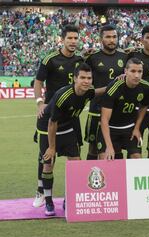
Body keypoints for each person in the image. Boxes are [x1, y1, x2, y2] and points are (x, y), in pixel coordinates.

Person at [37, 63, 105, 216]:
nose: (86, 81)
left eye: (89, 78)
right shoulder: (63, 96)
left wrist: (119, 81)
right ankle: (48, 202)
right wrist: (52, 147)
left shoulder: (88, 92)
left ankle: (69, 199)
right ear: (75, 78)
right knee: (48, 163)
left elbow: (99, 91)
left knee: (76, 162)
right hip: (47, 127)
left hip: (67, 126)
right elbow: (52, 122)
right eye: (82, 78)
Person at [32, 25, 83, 208]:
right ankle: (41, 191)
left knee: (75, 155)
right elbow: (38, 82)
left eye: (76, 38)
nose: (73, 41)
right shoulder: (50, 59)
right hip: (51, 113)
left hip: (70, 116)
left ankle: (71, 197)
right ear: (62, 40)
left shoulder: (80, 60)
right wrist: (40, 102)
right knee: (45, 155)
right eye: (69, 38)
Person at [84, 25, 128, 160]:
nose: (111, 40)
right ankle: (90, 177)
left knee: (116, 145)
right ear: (101, 39)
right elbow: (85, 82)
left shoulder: (125, 56)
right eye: (108, 37)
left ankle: (117, 178)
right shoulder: (92, 58)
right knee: (92, 146)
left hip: (117, 108)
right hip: (96, 107)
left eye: (114, 37)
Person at [100, 58, 149, 160]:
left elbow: (144, 106)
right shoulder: (114, 88)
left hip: (129, 128)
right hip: (111, 128)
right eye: (133, 71)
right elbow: (104, 119)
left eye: (139, 71)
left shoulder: (146, 87)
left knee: (137, 158)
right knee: (106, 159)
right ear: (125, 71)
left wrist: (137, 128)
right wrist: (109, 147)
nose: (136, 75)